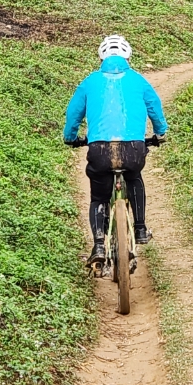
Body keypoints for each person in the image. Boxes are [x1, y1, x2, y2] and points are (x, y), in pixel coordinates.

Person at [63, 34, 167, 266]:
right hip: (133, 148)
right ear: (128, 56)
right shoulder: (139, 81)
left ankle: (99, 244)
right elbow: (155, 108)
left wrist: (71, 138)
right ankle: (140, 228)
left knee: (99, 196)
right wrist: (160, 133)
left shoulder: (90, 82)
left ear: (101, 57)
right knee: (134, 177)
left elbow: (73, 114)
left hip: (99, 150)